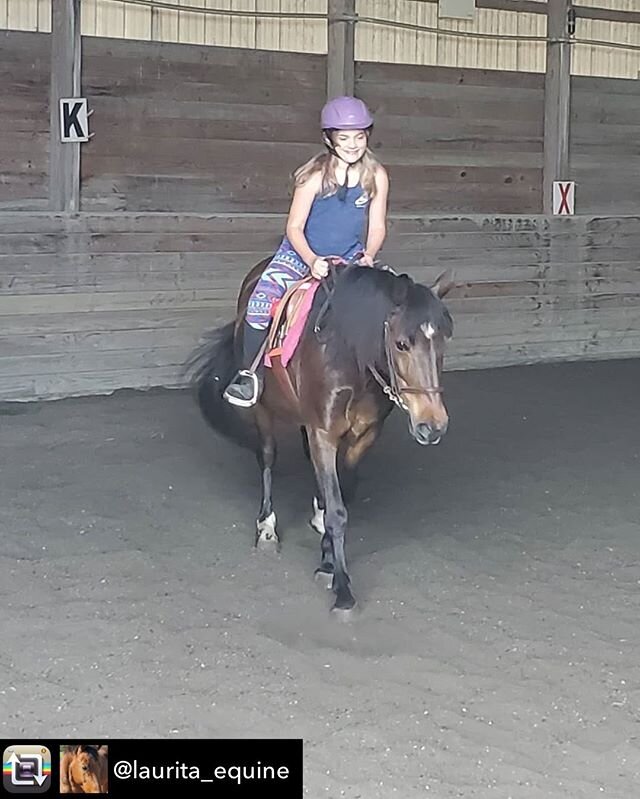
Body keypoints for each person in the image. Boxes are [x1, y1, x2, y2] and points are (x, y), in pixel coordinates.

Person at [223, 95, 389, 408]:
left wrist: (369, 255)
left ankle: (386, 379)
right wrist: (312, 260)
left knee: (390, 301)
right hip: (300, 255)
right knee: (259, 306)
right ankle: (250, 375)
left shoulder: (376, 176)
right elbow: (294, 227)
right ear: (329, 139)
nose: (353, 144)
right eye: (344, 138)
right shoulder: (314, 176)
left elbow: (377, 226)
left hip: (351, 255)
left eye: (359, 137)